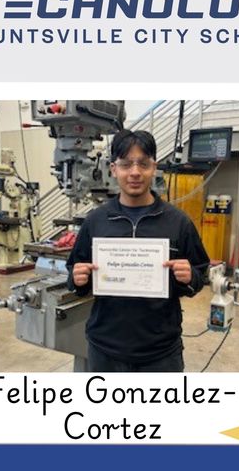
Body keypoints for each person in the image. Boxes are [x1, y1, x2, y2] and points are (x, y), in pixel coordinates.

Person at [66, 129, 210, 372]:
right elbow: (74, 270)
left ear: (153, 167)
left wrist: (191, 277)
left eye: (143, 164)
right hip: (105, 350)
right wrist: (77, 278)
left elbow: (200, 272)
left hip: (161, 352)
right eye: (126, 164)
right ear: (114, 169)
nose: (134, 172)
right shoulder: (97, 221)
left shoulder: (178, 222)